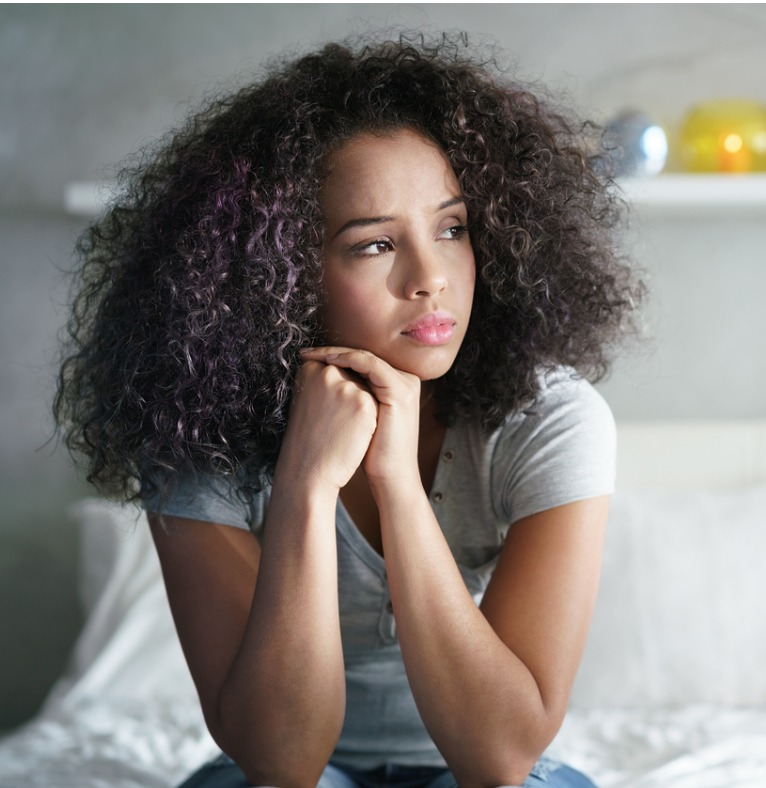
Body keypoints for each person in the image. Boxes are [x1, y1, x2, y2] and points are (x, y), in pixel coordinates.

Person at [55, 35, 643, 788]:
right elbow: (281, 760)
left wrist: (396, 482)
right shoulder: (193, 430)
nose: (431, 278)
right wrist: (303, 483)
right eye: (372, 246)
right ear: (282, 276)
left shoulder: (550, 419)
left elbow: (501, 756)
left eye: (452, 228)